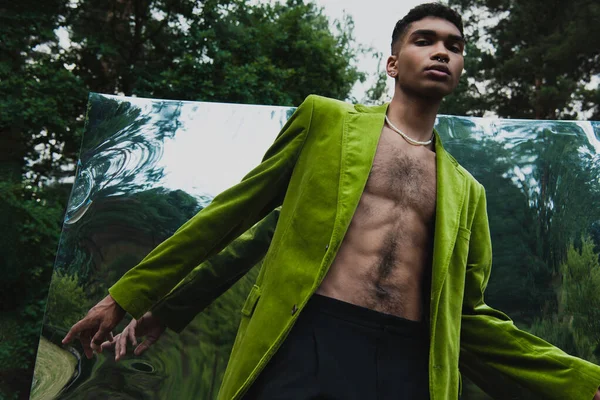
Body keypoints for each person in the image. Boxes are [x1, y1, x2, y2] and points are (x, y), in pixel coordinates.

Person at [63, 3, 600, 399]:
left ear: (459, 71)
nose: (441, 51)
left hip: (408, 360)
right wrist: (130, 296)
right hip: (311, 335)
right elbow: (237, 220)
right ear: (392, 63)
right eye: (425, 40)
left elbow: (470, 318)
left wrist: (581, 382)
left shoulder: (467, 191)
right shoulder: (327, 122)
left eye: (454, 47)